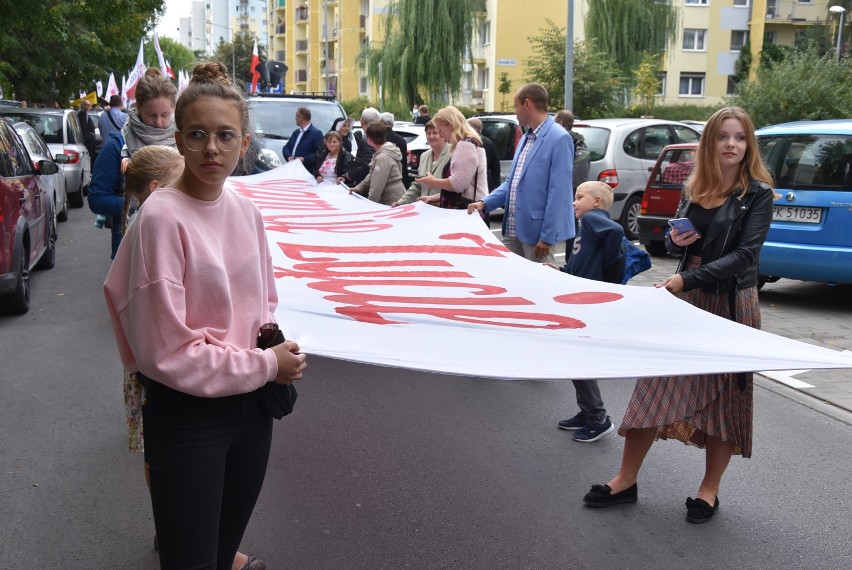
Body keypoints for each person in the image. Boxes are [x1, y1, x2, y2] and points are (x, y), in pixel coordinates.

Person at [104, 61, 307, 568]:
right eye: (197, 134)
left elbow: (263, 304)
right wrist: (265, 365)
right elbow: (166, 352)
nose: (211, 148)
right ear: (178, 140)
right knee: (189, 559)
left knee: (220, 550)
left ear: (244, 144)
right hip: (189, 415)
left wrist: (275, 348)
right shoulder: (160, 218)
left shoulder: (247, 211)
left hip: (252, 411)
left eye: (224, 135)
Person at [582, 106, 775, 525]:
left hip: (730, 306)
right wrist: (675, 240)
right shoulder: (695, 186)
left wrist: (686, 280)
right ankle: (624, 481)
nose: (731, 144)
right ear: (710, 142)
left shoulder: (757, 194)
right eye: (723, 136)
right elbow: (681, 245)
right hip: (686, 300)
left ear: (748, 144)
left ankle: (708, 492)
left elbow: (745, 257)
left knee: (726, 399)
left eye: (739, 137)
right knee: (654, 385)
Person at [547, 181, 625, 443]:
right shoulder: (588, 226)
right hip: (583, 298)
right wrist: (562, 272)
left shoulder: (593, 219)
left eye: (579, 196)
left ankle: (598, 418)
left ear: (596, 202)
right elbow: (580, 265)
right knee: (575, 357)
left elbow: (616, 231)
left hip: (588, 302)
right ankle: (588, 411)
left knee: (578, 359)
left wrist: (610, 268)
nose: (574, 201)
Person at [466, 83, 574, 263]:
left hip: (537, 233)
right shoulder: (526, 137)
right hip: (513, 228)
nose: (515, 112)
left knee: (538, 287)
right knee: (512, 283)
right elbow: (513, 182)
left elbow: (559, 192)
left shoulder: (559, 137)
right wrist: (485, 204)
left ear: (527, 104)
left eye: (516, 106)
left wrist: (547, 235)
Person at [89, 69, 177, 258]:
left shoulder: (184, 139)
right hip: (132, 249)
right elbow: (96, 198)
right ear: (137, 108)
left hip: (178, 246)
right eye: (152, 115)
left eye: (165, 114)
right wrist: (142, 202)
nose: (159, 122)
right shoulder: (117, 145)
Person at [418, 106, 488, 211]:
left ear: (450, 125)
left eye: (440, 130)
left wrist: (433, 182)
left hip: (467, 212)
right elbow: (465, 184)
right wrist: (434, 197)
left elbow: (457, 185)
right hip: (471, 208)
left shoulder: (465, 145)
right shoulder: (471, 142)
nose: (441, 134)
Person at [554, 109, 591, 260]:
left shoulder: (563, 138)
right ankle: (571, 259)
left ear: (561, 123)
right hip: (576, 188)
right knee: (572, 225)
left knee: (563, 224)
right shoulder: (579, 139)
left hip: (565, 188)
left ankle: (568, 261)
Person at [392, 120, 451, 206]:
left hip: (445, 210)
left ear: (443, 134)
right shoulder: (424, 156)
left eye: (435, 133)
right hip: (425, 210)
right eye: (428, 133)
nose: (431, 136)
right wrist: (401, 202)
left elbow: (455, 187)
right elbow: (418, 185)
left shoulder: (453, 154)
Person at [349, 121, 405, 205]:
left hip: (391, 201)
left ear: (370, 139)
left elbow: (376, 187)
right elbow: (373, 174)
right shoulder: (384, 151)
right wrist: (359, 188)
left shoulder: (382, 158)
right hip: (395, 197)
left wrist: (370, 204)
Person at [341, 107, 380, 187]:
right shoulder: (379, 137)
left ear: (362, 121)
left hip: (367, 185)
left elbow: (367, 166)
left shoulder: (368, 139)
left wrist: (348, 175)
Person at [282, 106, 324, 174]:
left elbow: (320, 154)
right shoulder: (296, 132)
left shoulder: (316, 133)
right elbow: (286, 147)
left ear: (302, 117)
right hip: (293, 169)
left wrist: (304, 159)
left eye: (297, 116)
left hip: (307, 172)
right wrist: (288, 156)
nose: (295, 118)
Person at [467, 117, 501, 191]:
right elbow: (495, 165)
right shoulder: (489, 142)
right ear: (480, 128)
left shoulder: (464, 142)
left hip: (468, 184)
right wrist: (496, 183)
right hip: (486, 182)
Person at [380, 112, 412, 188]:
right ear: (392, 124)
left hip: (384, 180)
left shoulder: (379, 139)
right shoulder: (401, 140)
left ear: (381, 123)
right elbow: (404, 163)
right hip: (400, 179)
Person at [77, 100, 97, 169]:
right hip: (88, 141)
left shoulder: (83, 112)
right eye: (88, 105)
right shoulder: (83, 113)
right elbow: (83, 126)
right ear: (84, 105)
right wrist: (88, 136)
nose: (90, 106)